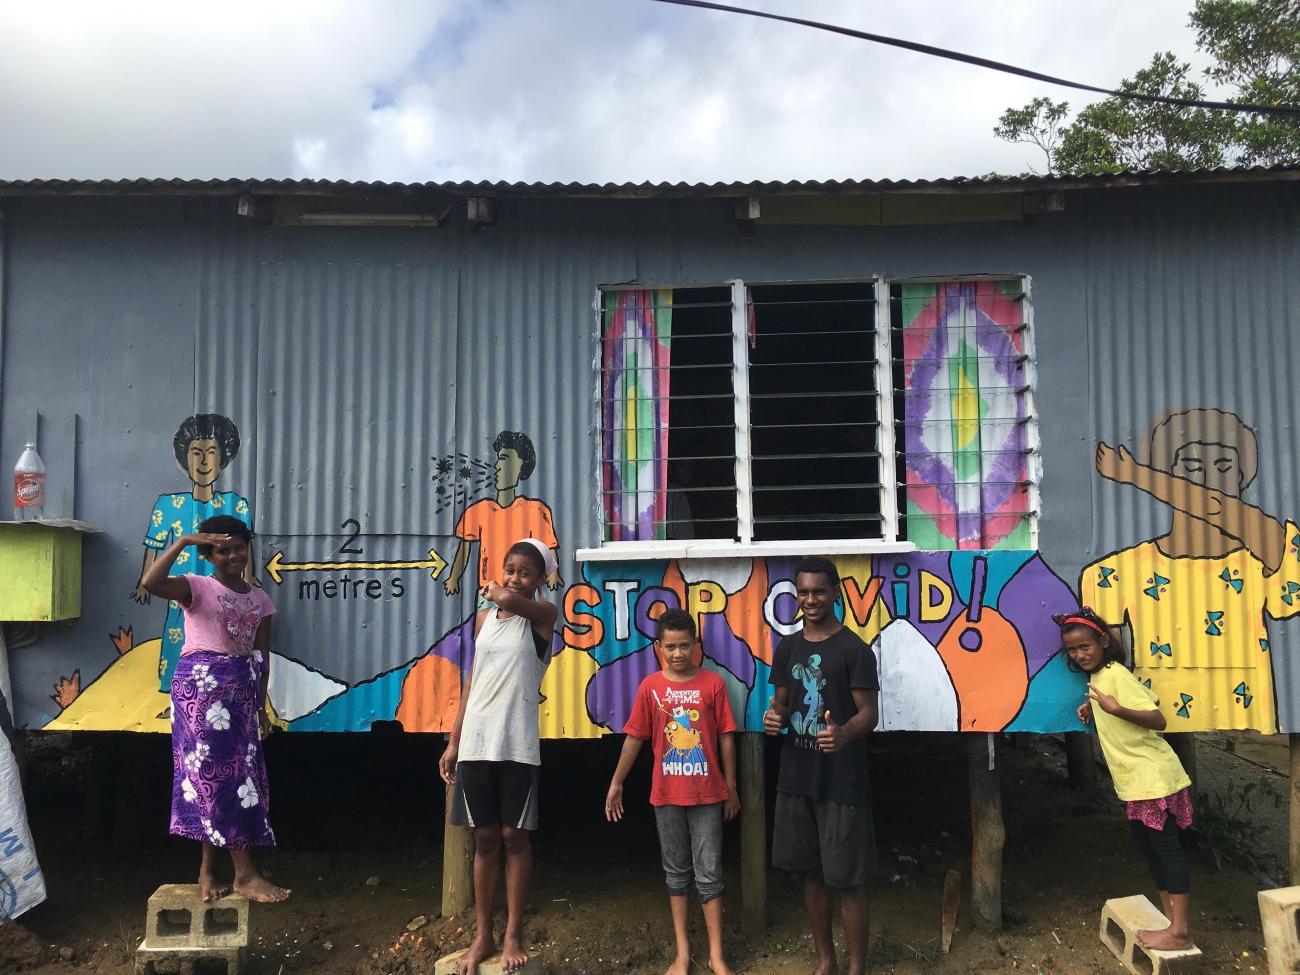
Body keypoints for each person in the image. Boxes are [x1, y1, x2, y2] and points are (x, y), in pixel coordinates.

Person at [1082, 408, 1300, 733]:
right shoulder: (1116, 570)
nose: (1206, 480)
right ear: (1169, 472)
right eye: (1192, 467)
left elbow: (1233, 515)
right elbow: (1105, 659)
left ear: (1242, 477)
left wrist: (1138, 475)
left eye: (1224, 467)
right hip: (1153, 711)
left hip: (1247, 709)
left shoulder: (1266, 555)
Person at [141, 514, 288, 904]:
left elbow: (261, 655)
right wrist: (184, 540)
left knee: (225, 779)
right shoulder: (196, 587)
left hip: (239, 691)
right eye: (222, 549)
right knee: (217, 776)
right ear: (209, 555)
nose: (233, 555)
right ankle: (243, 873)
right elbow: (150, 583)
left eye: (239, 547)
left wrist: (260, 709)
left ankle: (207, 871)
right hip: (200, 691)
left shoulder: (260, 599)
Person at [439, 539, 559, 975]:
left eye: (525, 572)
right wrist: (455, 740)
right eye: (509, 568)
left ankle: (513, 933)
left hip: (517, 745)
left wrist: (502, 589)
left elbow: (511, 597)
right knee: (485, 839)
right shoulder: (486, 620)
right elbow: (473, 683)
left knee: (514, 837)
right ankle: (483, 933)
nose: (513, 578)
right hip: (476, 744)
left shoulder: (543, 618)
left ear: (541, 580)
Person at [605, 609, 739, 975]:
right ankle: (683, 953)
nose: (678, 653)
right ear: (658, 647)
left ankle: (716, 955)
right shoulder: (650, 687)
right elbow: (635, 737)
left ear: (696, 645)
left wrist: (731, 787)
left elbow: (726, 737)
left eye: (684, 646)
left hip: (708, 795)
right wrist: (617, 781)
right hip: (666, 796)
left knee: (709, 874)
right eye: (670, 647)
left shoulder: (713, 684)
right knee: (676, 874)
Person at [764, 557, 879, 975]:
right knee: (810, 875)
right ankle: (825, 961)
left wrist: (845, 733)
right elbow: (779, 705)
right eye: (803, 592)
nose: (810, 600)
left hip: (842, 782)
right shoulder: (788, 647)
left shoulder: (855, 650)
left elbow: (870, 713)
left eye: (818, 591)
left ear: (835, 593)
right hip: (797, 778)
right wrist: (772, 717)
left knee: (849, 879)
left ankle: (856, 968)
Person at [1058, 607, 1194, 951]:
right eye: (1072, 650)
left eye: (1085, 647)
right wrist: (1095, 708)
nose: (1079, 655)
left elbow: (1157, 718)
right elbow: (1132, 700)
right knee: (1150, 850)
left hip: (1153, 778)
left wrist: (1117, 710)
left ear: (1103, 641)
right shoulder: (1101, 679)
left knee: (1166, 850)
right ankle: (1170, 920)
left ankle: (1179, 931)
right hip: (1138, 782)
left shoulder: (1115, 674)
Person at [132, 414, 255, 694]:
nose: (203, 462)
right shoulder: (169, 505)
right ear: (184, 459)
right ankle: (174, 691)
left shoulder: (237, 505)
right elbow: (154, 545)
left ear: (223, 459)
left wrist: (249, 580)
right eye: (195, 453)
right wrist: (143, 582)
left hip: (228, 592)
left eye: (211, 453)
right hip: (181, 587)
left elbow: (246, 547)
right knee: (178, 635)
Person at [443, 431, 564, 597]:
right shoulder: (479, 511)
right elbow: (464, 549)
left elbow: (548, 547)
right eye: (499, 459)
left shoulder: (536, 511)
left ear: (521, 467)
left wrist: (553, 575)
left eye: (505, 459)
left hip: (523, 592)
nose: (498, 465)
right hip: (488, 592)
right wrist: (453, 578)